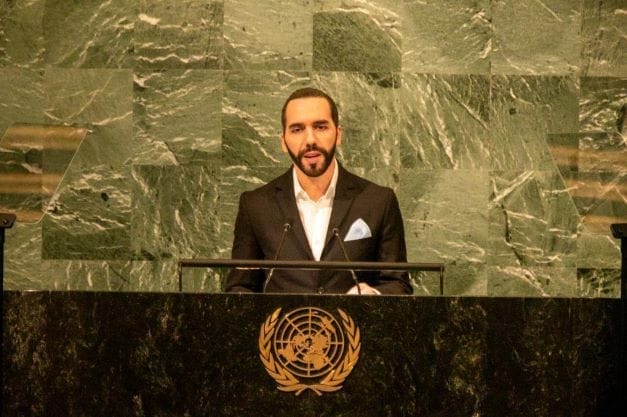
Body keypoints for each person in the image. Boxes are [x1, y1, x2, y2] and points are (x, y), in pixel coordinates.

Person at [225, 87, 411, 295]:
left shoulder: (378, 201)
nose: (310, 140)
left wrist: (373, 296)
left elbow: (399, 285)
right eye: (297, 129)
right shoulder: (256, 205)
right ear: (283, 141)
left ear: (338, 134)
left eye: (321, 127)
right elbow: (240, 288)